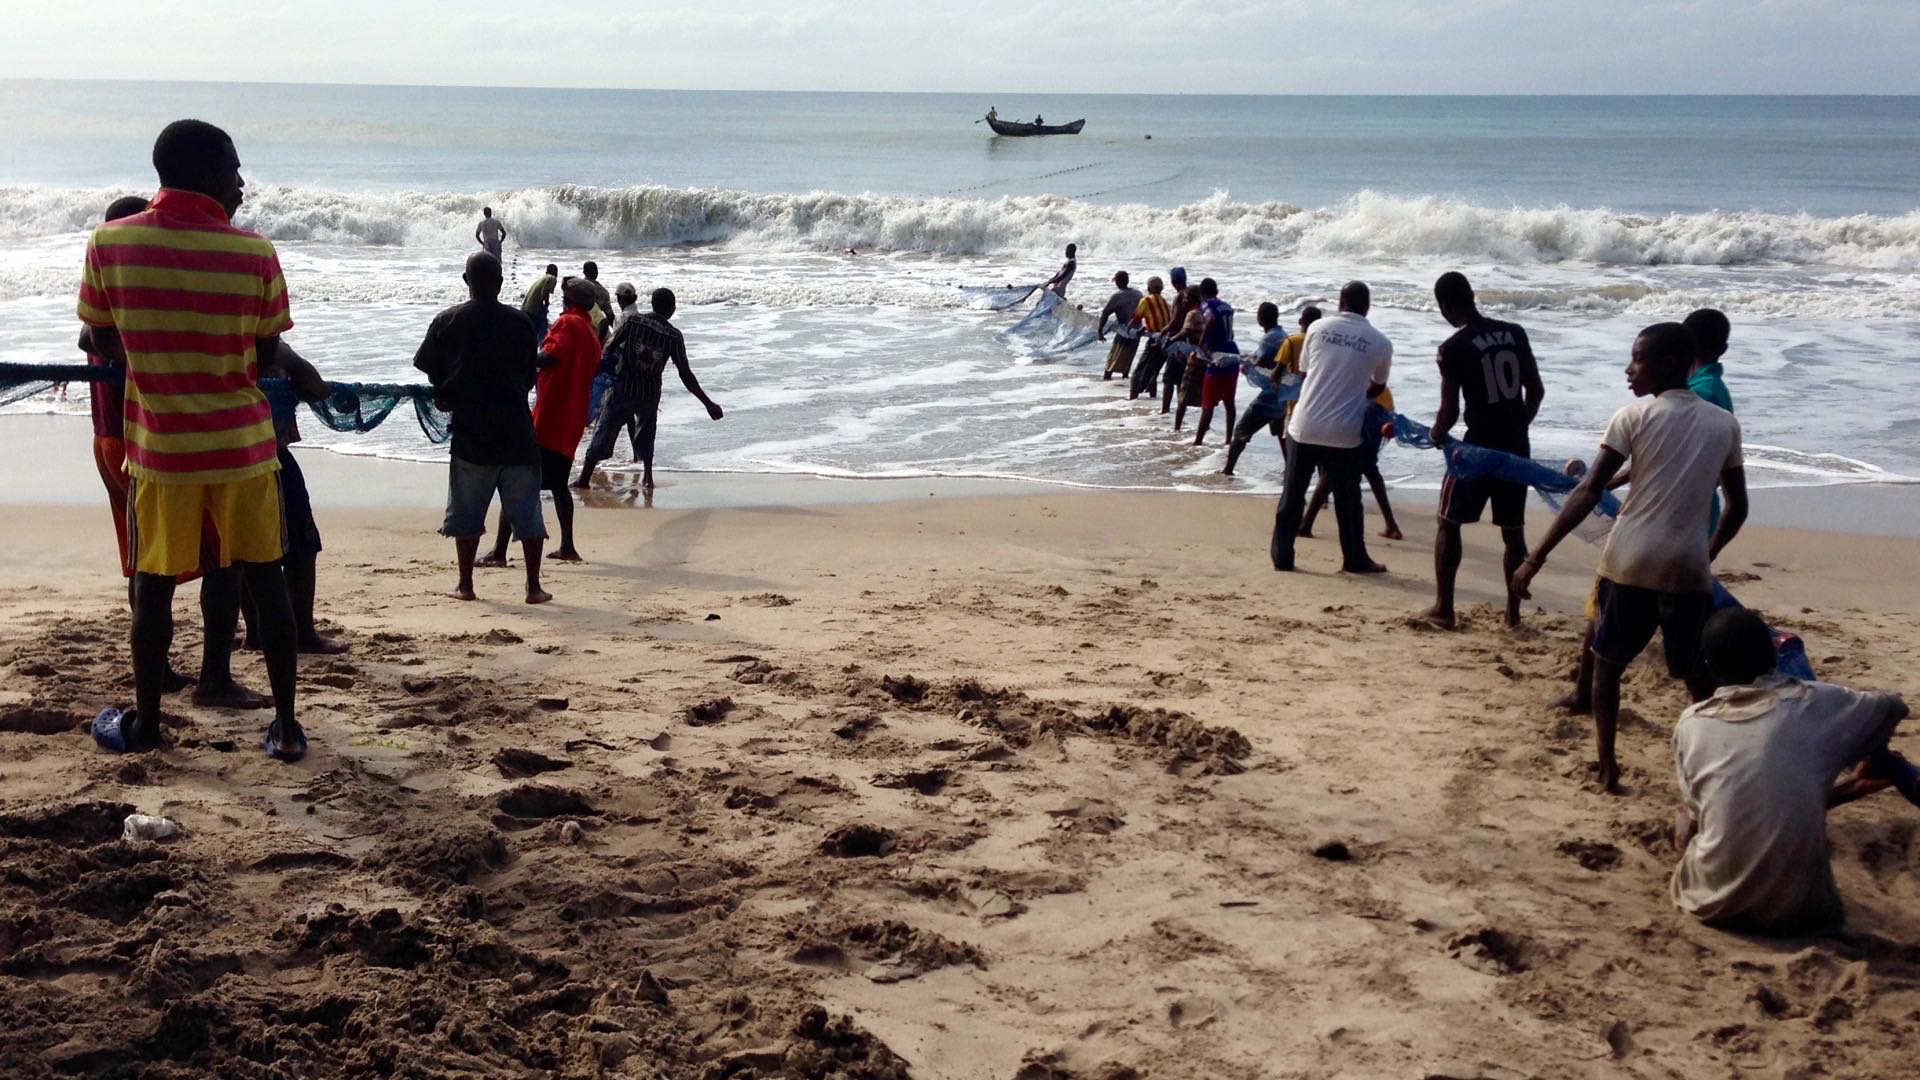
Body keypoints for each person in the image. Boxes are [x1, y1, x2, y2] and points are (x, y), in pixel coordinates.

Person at [75, 118, 305, 760]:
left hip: (161, 449)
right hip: (242, 447)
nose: (240, 183)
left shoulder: (108, 244)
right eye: (233, 169)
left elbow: (99, 339)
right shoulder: (255, 253)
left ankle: (148, 725)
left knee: (152, 584)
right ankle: (285, 728)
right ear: (205, 173)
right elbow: (265, 354)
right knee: (266, 578)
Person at [1511, 322, 1749, 794]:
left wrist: (1536, 556)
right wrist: (1708, 551)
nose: (1629, 367)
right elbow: (1738, 506)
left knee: (1607, 667)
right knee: (1696, 679)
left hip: (1629, 562)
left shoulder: (1632, 417)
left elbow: (1588, 489)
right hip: (1686, 569)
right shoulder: (1724, 424)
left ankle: (1607, 767)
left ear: (1664, 364)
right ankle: (1715, 770)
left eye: (1637, 358)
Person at [1670, 608, 1918, 935]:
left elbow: (1724, 812)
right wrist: (1864, 747)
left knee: (1690, 818)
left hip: (1713, 906)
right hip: (1803, 914)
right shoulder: (1815, 702)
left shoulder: (1690, 724)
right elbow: (1892, 706)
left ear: (1710, 667)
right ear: (1773, 653)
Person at [414, 251, 551, 604]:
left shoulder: (448, 320)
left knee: (467, 514)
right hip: (518, 432)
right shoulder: (521, 323)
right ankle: (533, 587)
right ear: (500, 283)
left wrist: (448, 383)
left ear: (466, 281)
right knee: (528, 515)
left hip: (472, 434)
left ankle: (465, 584)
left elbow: (424, 364)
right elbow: (529, 378)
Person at [1421, 271, 1545, 630]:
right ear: (1472, 295)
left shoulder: (1452, 348)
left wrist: (1435, 434)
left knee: (1449, 522)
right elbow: (1535, 390)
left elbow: (1450, 412)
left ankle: (1445, 609)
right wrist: (1519, 425)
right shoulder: (1515, 333)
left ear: (1445, 305)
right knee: (1512, 530)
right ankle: (1511, 616)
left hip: (1476, 449)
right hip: (1515, 445)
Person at [1270, 281, 1392, 575]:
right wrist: (1356, 397)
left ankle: (1283, 557)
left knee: (1292, 494)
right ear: (1367, 306)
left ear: (1340, 302)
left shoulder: (1316, 328)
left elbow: (1304, 372)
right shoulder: (1380, 342)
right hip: (1344, 431)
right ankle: (1355, 559)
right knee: (1349, 501)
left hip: (1305, 423)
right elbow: (1378, 386)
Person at [483, 278, 600, 564]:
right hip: (571, 421)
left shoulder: (567, 324)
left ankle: (499, 552)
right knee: (559, 484)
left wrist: (519, 356)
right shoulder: (591, 333)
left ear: (567, 301)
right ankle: (568, 546)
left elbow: (550, 357)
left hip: (549, 417)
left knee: (516, 481)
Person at [244, 343, 347, 654]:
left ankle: (255, 632)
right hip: (268, 456)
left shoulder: (219, 337)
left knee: (240, 549)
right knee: (301, 546)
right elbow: (315, 387)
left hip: (224, 458)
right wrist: (283, 352)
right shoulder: (268, 346)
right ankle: (302, 631)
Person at [576, 287, 725, 493]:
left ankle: (584, 478)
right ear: (671, 309)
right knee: (647, 434)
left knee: (605, 430)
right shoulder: (673, 336)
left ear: (652, 304)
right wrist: (708, 404)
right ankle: (647, 477)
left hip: (623, 388)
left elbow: (610, 346)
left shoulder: (633, 321)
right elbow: (685, 374)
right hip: (649, 393)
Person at [1297, 383, 1401, 541]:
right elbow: (1389, 416)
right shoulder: (1383, 390)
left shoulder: (1355, 383)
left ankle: (1306, 525)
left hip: (1352, 431)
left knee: (1329, 474)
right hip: (1370, 434)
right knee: (1371, 473)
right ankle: (1391, 525)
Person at [1223, 304, 1316, 477]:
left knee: (1242, 431)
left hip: (1272, 395)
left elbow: (1267, 363)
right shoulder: (1283, 335)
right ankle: (1290, 469)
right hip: (1285, 396)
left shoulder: (1272, 338)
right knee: (1281, 434)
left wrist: (1249, 362)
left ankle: (1227, 470)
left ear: (1261, 318)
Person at [1186, 278, 1239, 444]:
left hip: (1216, 358)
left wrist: (1200, 344)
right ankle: (1228, 439)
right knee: (1229, 402)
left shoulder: (1206, 305)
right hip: (1232, 355)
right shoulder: (1227, 307)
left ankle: (1198, 441)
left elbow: (1210, 320)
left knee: (1207, 403)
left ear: (1202, 293)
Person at [1126, 276, 1173, 400]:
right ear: (1162, 289)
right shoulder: (1166, 303)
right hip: (1166, 343)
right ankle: (1152, 399)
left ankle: (1132, 398)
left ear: (1148, 288)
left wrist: (1128, 330)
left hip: (1155, 341)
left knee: (1139, 371)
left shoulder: (1145, 301)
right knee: (1154, 371)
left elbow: (1135, 320)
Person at [1158, 269, 1195, 414]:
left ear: (1174, 282)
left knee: (1168, 379)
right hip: (1190, 343)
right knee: (1181, 380)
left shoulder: (1180, 297)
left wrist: (1163, 332)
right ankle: (1181, 411)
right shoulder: (1192, 295)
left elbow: (1175, 321)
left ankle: (1165, 410)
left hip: (1178, 341)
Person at [1096, 271, 1144, 381]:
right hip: (1137, 331)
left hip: (1124, 332)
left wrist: (1100, 330)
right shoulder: (1138, 294)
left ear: (1117, 282)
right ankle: (1124, 383)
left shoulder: (1117, 296)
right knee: (1128, 360)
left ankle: (1106, 382)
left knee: (1112, 362)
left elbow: (1105, 313)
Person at [521, 263, 559, 340]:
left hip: (526, 308)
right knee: (537, 333)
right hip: (534, 309)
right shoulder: (552, 278)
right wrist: (546, 304)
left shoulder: (542, 278)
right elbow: (545, 293)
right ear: (556, 272)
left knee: (530, 333)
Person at [582, 261, 614, 340]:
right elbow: (610, 316)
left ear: (583, 272)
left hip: (578, 326)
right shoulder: (603, 291)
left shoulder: (576, 288)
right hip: (597, 329)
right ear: (596, 273)